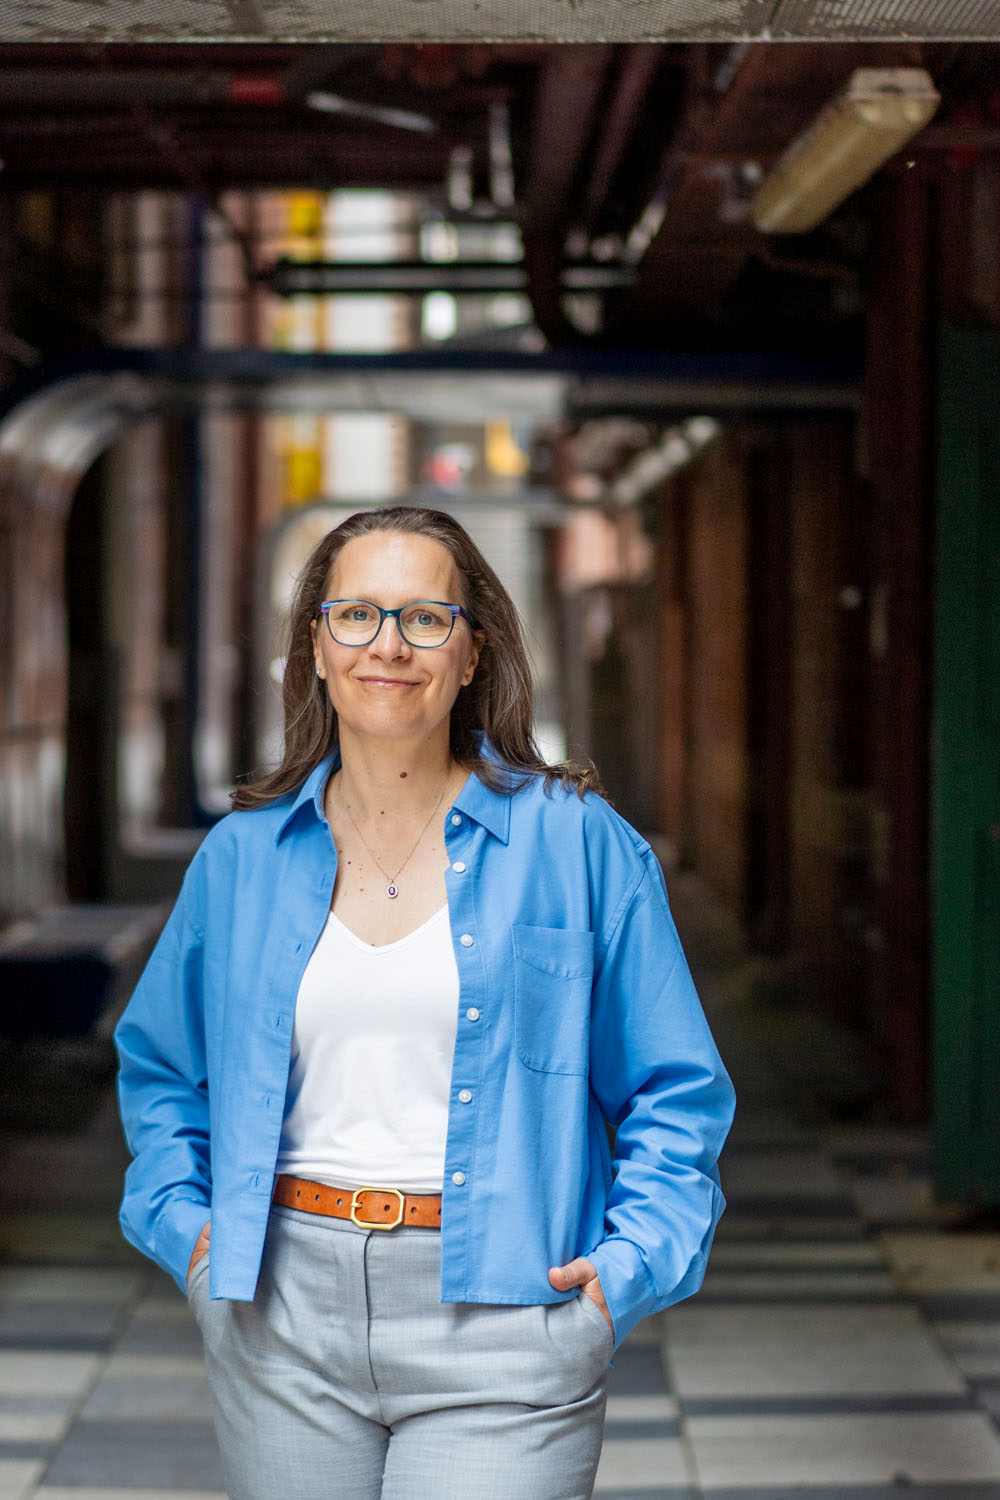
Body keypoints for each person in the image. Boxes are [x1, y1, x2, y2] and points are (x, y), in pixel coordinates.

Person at [116, 504, 735, 1500]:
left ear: (472, 650)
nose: (388, 647)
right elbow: (158, 1068)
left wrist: (624, 1274)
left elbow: (674, 1089)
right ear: (316, 646)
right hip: (280, 1312)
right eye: (354, 615)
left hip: (506, 1315)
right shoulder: (241, 858)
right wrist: (187, 1231)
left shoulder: (575, 845)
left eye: (425, 618)